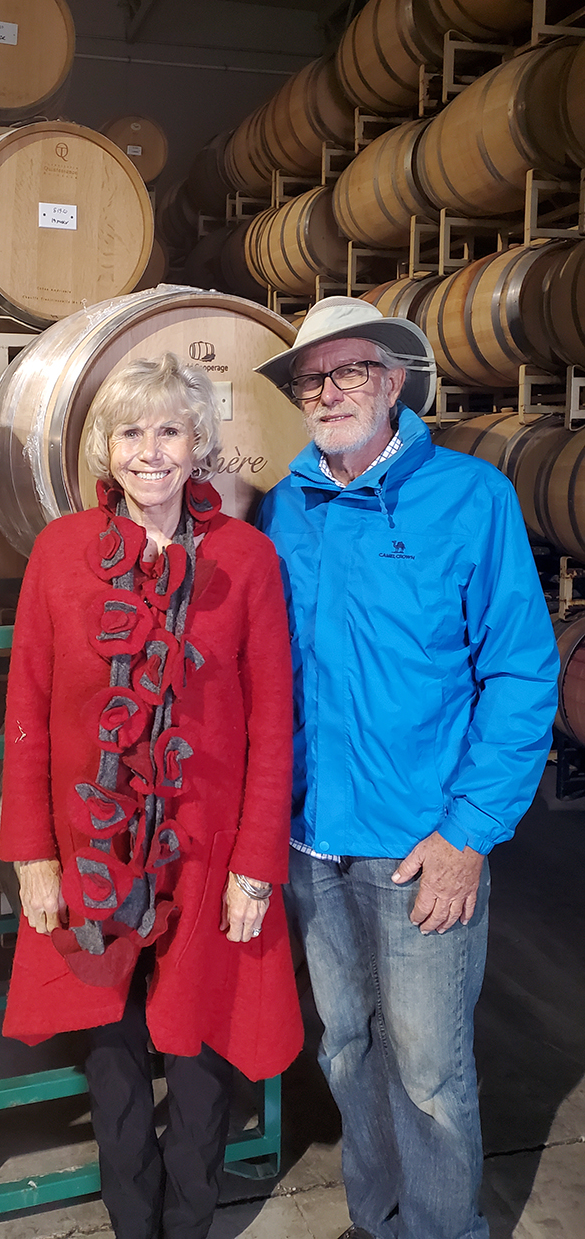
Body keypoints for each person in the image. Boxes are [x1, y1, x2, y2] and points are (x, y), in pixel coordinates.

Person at [254, 297, 560, 1239]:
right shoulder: (283, 507)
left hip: (423, 844)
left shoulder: (471, 498)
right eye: (315, 377)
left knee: (428, 1068)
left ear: (392, 381)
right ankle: (376, 1217)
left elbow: (519, 669)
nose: (331, 391)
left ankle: (440, 1229)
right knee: (346, 1049)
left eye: (351, 372)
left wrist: (470, 831)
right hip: (315, 841)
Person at [0, 352, 303, 1239]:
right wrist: (33, 857)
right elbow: (28, 710)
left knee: (200, 1050)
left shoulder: (246, 559)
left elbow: (273, 725)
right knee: (115, 1054)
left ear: (199, 441)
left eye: (170, 429)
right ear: (105, 447)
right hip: (93, 851)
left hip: (209, 852)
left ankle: (191, 1217)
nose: (151, 451)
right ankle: (135, 1222)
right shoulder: (58, 555)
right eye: (131, 432)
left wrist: (255, 868)